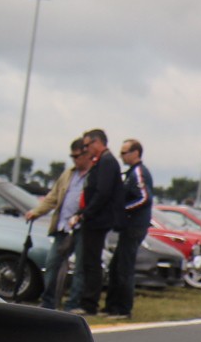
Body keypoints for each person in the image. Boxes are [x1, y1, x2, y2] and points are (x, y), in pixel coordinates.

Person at [25, 138, 90, 310]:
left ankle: (73, 303)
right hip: (62, 227)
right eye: (72, 156)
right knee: (52, 263)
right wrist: (36, 212)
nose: (75, 160)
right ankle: (48, 301)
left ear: (86, 154)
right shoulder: (68, 174)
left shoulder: (94, 175)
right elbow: (53, 197)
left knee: (79, 268)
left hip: (82, 228)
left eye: (77, 156)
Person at [72, 128, 121, 315]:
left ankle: (89, 303)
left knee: (92, 262)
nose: (86, 149)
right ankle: (87, 301)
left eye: (87, 145)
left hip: (98, 220)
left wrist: (86, 213)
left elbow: (102, 192)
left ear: (97, 142)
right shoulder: (101, 161)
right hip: (94, 218)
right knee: (88, 261)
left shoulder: (107, 162)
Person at [102, 139, 153, 319]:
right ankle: (111, 306)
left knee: (125, 267)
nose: (121, 156)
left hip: (134, 226)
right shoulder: (130, 173)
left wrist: (122, 210)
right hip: (128, 226)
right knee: (116, 266)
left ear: (135, 153)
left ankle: (124, 309)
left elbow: (144, 198)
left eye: (124, 153)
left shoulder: (139, 172)